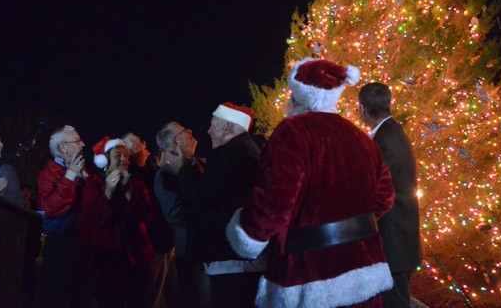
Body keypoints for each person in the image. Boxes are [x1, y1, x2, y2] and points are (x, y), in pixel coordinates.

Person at [226, 58, 396, 308]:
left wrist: (249, 234)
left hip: (309, 276)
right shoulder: (362, 138)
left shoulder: (293, 132)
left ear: (298, 96)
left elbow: (275, 201)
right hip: (364, 270)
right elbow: (385, 197)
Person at [166, 103, 263, 308]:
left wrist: (183, 169)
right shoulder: (240, 150)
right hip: (232, 255)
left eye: (213, 125)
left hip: (232, 258)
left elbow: (202, 194)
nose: (208, 131)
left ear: (228, 127)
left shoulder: (236, 152)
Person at [359, 82, 422, 308]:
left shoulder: (385, 141)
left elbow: (376, 190)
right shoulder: (392, 132)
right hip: (398, 240)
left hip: (394, 242)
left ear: (363, 109)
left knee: (394, 303)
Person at [79, 137, 156, 308]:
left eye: (125, 156)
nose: (123, 160)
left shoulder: (137, 185)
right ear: (104, 161)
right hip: (107, 259)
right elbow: (93, 219)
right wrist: (108, 193)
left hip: (137, 257)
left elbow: (146, 216)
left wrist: (129, 194)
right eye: (117, 156)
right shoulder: (94, 184)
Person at [155, 122, 210, 308]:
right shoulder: (166, 175)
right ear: (174, 143)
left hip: (210, 251)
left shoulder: (202, 164)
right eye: (185, 131)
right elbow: (176, 215)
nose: (191, 131)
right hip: (192, 256)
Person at [37, 125, 93, 308]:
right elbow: (50, 208)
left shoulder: (83, 171)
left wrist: (89, 181)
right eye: (77, 141)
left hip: (84, 244)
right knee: (55, 297)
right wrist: (69, 177)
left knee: (82, 298)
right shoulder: (48, 173)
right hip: (60, 246)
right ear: (62, 147)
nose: (83, 144)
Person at [123, 132, 177, 308]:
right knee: (152, 296)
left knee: (170, 293)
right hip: (152, 246)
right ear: (129, 149)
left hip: (166, 242)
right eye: (138, 141)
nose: (144, 142)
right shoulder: (132, 178)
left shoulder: (150, 171)